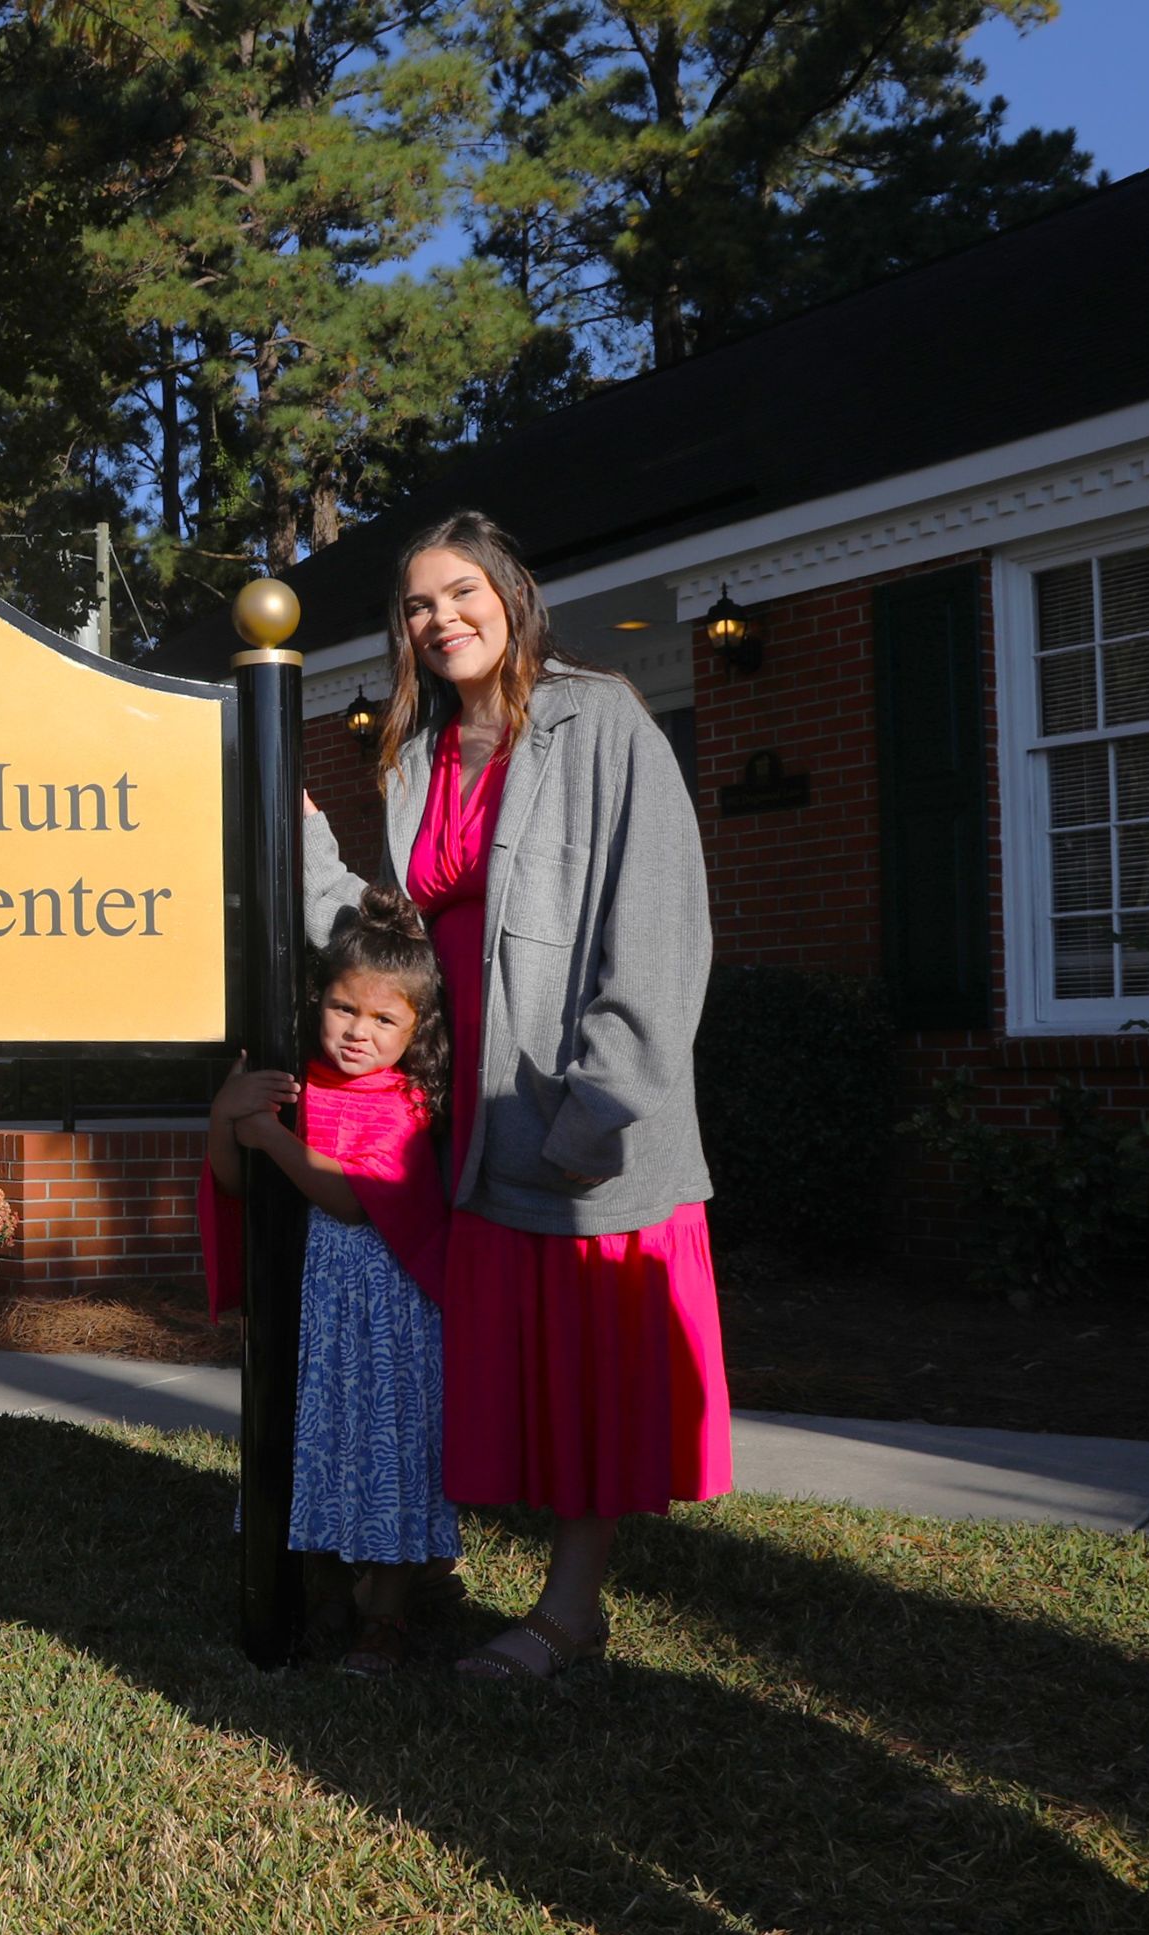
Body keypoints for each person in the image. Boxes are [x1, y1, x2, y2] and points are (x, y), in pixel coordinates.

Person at [303, 509, 730, 1681]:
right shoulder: (421, 753)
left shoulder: (603, 720)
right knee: (504, 1364)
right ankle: (428, 1573)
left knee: (587, 1372)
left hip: (570, 1109)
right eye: (417, 605)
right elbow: (401, 951)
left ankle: (568, 1610)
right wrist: (305, 858)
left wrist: (600, 1106)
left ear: (510, 592)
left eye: (459, 592)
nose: (440, 618)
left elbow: (659, 924)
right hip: (471, 1118)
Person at [201, 888, 458, 1675]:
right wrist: (225, 1119)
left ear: (418, 1030)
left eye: (385, 1020)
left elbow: (352, 1198)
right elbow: (235, 1184)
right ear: (321, 1000)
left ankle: (387, 1615)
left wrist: (270, 1139)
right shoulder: (298, 1085)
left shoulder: (406, 1101)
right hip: (314, 1309)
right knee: (316, 1435)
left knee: (387, 1443)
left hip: (389, 1315)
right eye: (345, 1009)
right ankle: (318, 1588)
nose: (358, 1032)